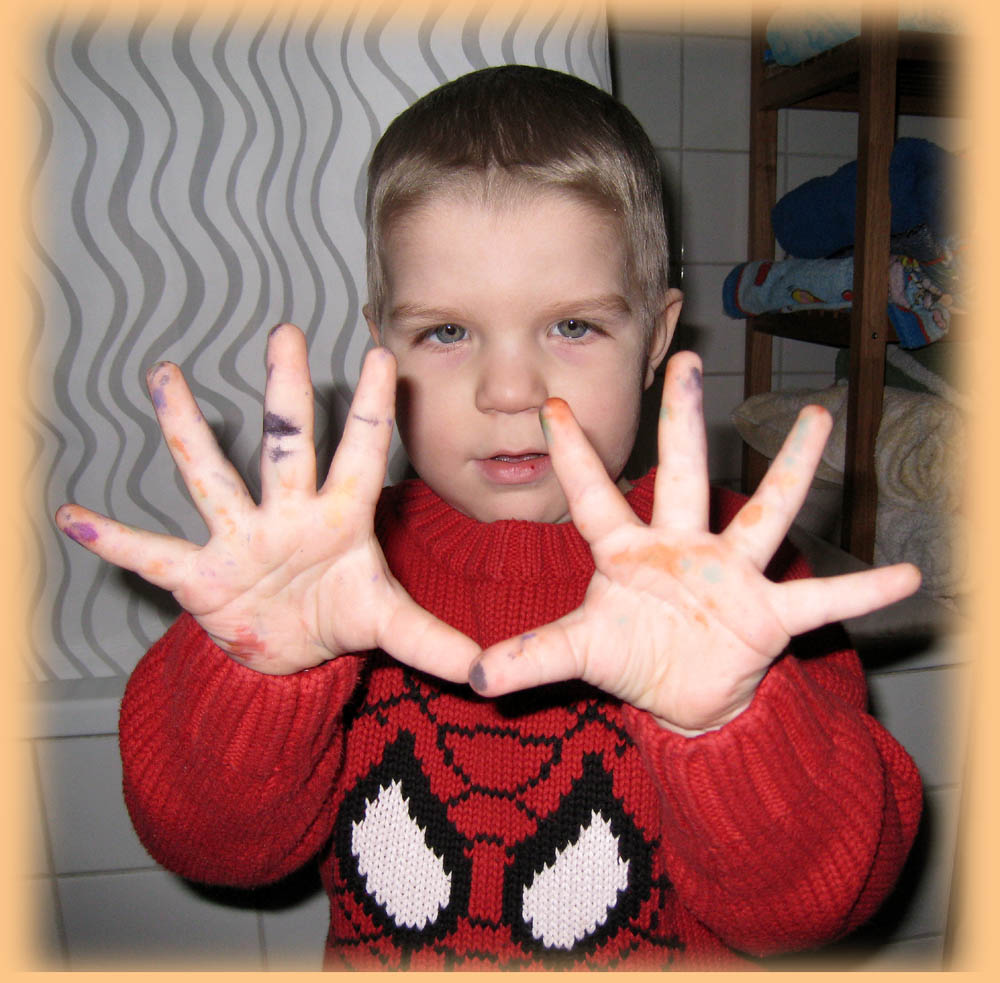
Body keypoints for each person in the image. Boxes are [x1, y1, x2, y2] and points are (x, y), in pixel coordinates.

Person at [55, 65, 923, 970]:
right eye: (447, 331)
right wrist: (256, 676)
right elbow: (214, 850)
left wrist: (732, 722)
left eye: (573, 327)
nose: (510, 390)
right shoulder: (321, 569)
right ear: (384, 342)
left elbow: (816, 910)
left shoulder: (740, 575)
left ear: (657, 338)